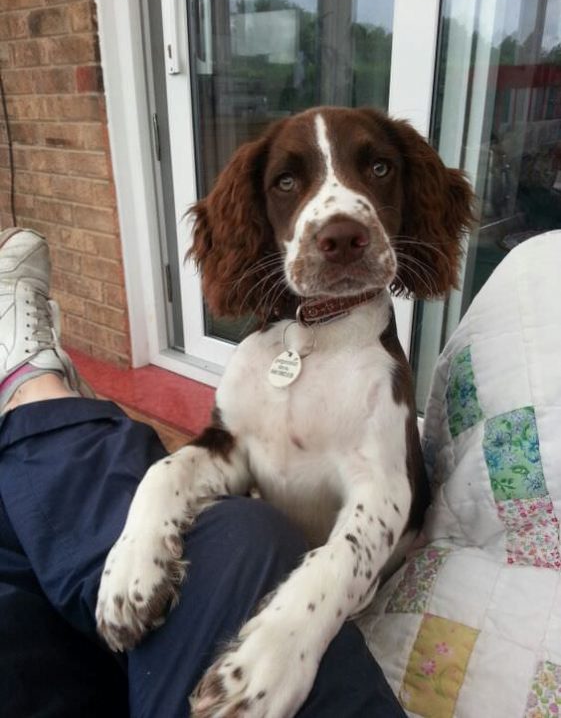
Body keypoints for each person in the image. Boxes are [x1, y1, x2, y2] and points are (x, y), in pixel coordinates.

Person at [0, 227, 406, 718]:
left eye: (378, 169)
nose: (337, 224)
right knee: (242, 533)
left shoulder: (379, 372)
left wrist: (298, 624)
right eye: (287, 182)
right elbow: (228, 453)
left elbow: (385, 499)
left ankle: (29, 391)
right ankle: (35, 403)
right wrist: (154, 508)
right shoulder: (264, 349)